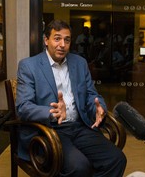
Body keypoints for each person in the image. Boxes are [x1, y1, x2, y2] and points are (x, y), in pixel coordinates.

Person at [16, 19, 127, 177]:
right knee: (80, 167)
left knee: (117, 159)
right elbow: (23, 107)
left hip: (80, 127)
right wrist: (51, 112)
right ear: (46, 40)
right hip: (50, 131)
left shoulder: (80, 63)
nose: (62, 44)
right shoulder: (29, 66)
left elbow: (91, 95)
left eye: (67, 40)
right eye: (57, 38)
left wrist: (99, 107)